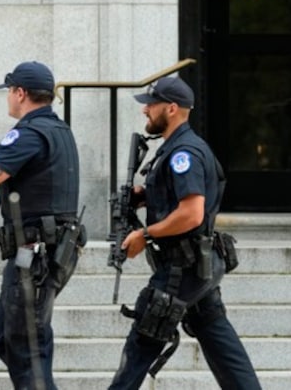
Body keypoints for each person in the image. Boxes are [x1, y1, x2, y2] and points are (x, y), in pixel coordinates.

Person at [108, 76, 261, 390]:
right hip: (193, 265)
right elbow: (177, 198)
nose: (145, 111)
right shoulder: (177, 149)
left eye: (151, 105)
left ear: (172, 108)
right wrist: (144, 195)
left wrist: (145, 234)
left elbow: (192, 213)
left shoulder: (183, 154)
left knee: (142, 341)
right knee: (220, 342)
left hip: (183, 267)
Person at [0, 61, 82, 390]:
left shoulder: (29, 132)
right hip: (44, 253)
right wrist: (7, 185)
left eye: (9, 91)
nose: (8, 97)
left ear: (20, 93)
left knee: (25, 348)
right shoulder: (59, 129)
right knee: (6, 336)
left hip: (34, 256)